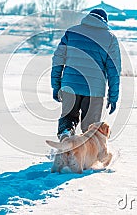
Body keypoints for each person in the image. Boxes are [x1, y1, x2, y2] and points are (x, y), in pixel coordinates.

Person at [51, 8, 121, 141]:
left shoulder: (72, 32)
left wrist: (56, 86)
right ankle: (86, 158)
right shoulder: (110, 38)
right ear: (105, 21)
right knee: (90, 129)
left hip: (69, 86)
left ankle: (66, 139)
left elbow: (57, 59)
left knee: (68, 119)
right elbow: (114, 71)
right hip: (94, 90)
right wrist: (113, 97)